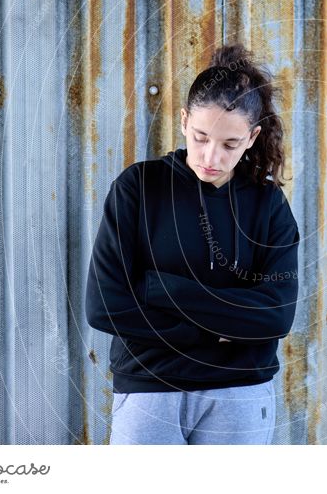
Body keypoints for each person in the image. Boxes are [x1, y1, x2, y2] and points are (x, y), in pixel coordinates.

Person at [85, 43, 300, 445]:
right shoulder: (139, 188)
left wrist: (160, 288)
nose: (211, 156)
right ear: (184, 121)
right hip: (150, 390)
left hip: (239, 395)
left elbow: (276, 316)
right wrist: (222, 330)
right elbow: (105, 307)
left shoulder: (267, 204)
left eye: (229, 144)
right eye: (201, 137)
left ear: (252, 137)